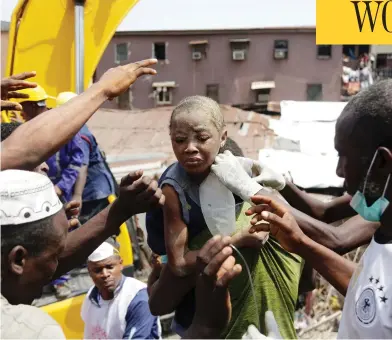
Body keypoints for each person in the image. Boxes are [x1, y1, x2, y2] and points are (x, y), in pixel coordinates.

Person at [235, 79, 392, 338]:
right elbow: (372, 293)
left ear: (383, 162)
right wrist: (299, 242)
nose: (339, 171)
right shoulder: (383, 223)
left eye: (345, 156)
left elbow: (336, 237)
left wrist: (251, 190)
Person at [146, 96, 302, 339]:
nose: (190, 147)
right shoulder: (174, 188)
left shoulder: (250, 193)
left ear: (223, 138)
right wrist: (239, 239)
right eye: (179, 140)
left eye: (202, 138)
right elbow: (174, 268)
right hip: (199, 321)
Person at [1, 59, 158, 172]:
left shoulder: (67, 129)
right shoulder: (37, 130)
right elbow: (20, 150)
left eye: (24, 106)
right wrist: (102, 89)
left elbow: (78, 164)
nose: (20, 111)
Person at [55, 91, 116, 224]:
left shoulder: (80, 134)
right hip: (92, 190)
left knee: (90, 230)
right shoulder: (74, 128)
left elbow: (82, 167)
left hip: (93, 192)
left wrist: (77, 196)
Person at [16, 86, 85, 202]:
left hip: (60, 193)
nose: (21, 112)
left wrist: (61, 187)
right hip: (37, 191)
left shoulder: (62, 125)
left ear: (34, 106)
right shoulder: (28, 127)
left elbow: (76, 160)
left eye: (23, 107)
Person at [82, 242, 161, 339]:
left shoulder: (138, 298)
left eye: (110, 267)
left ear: (121, 264)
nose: (105, 274)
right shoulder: (91, 297)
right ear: (90, 273)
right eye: (98, 270)